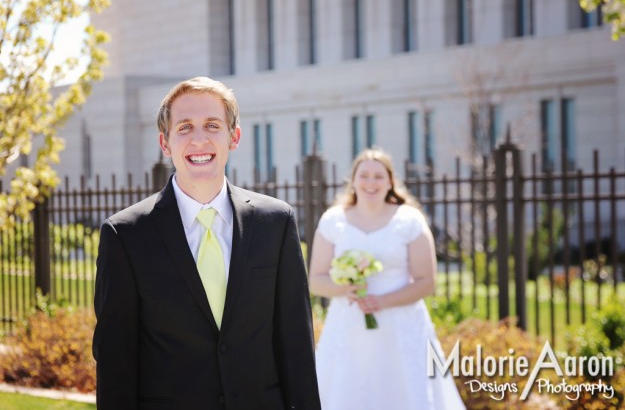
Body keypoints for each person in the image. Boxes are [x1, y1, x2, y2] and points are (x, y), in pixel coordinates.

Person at [92, 76, 321, 410]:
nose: (199, 140)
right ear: (165, 143)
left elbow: (296, 345)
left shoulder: (275, 222)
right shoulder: (125, 235)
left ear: (234, 136)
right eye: (184, 127)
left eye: (212, 125)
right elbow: (116, 362)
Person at [309, 148, 465, 410]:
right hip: (349, 326)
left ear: (390, 181)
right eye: (364, 175)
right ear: (354, 180)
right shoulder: (333, 220)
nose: (371, 183)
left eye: (379, 176)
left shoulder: (409, 220)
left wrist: (381, 301)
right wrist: (345, 288)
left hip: (401, 325)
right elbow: (316, 280)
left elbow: (426, 281)